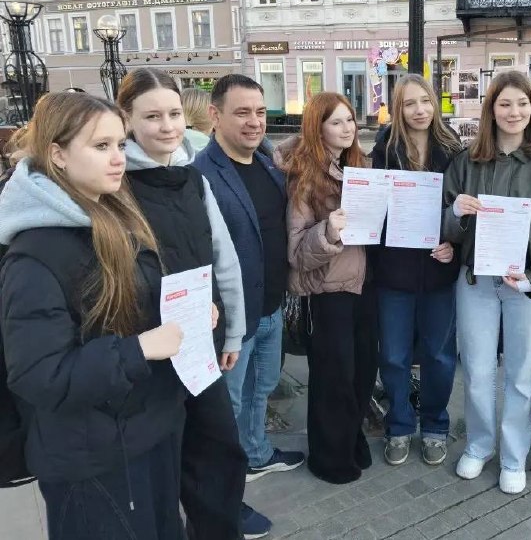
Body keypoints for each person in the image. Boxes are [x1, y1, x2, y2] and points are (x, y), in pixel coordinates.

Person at [0, 92, 186, 539]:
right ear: (58, 155)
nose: (118, 158)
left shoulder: (112, 214)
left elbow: (125, 311)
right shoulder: (34, 254)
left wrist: (185, 310)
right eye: (101, 147)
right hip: (90, 461)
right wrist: (141, 348)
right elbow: (39, 375)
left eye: (120, 144)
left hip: (144, 433)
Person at [116, 68, 253, 540]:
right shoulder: (115, 186)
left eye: (174, 113)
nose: (168, 126)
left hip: (199, 345)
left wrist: (232, 328)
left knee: (218, 452)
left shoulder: (194, 179)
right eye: (152, 116)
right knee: (158, 470)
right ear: (127, 120)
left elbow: (223, 257)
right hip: (146, 353)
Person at [442, 70, 531, 494]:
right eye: (505, 104)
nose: (514, 112)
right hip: (477, 283)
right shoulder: (467, 161)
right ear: (491, 109)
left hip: (524, 286)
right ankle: (480, 445)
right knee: (478, 371)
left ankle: (514, 456)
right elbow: (447, 230)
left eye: (522, 103)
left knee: (520, 374)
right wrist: (456, 214)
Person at [193, 75, 305, 533]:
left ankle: (258, 453)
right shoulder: (201, 173)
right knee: (229, 407)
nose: (254, 121)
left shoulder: (266, 163)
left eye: (260, 112)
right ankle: (227, 498)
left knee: (261, 390)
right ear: (215, 116)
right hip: (233, 319)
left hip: (272, 306)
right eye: (242, 112)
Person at [274, 92, 378, 485]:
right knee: (333, 378)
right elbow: (297, 252)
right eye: (336, 122)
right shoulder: (305, 177)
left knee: (363, 372)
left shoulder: (361, 166)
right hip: (328, 292)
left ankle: (351, 441)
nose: (347, 128)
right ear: (317, 128)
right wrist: (328, 231)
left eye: (350, 120)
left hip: (365, 287)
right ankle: (330, 457)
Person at [370, 74, 462, 467]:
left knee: (440, 356)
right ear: (398, 108)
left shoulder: (453, 149)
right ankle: (400, 425)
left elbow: (463, 208)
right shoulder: (384, 149)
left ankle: (436, 426)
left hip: (439, 271)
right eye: (410, 103)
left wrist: (454, 245)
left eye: (425, 101)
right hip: (395, 273)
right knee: (393, 355)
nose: (420, 110)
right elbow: (373, 207)